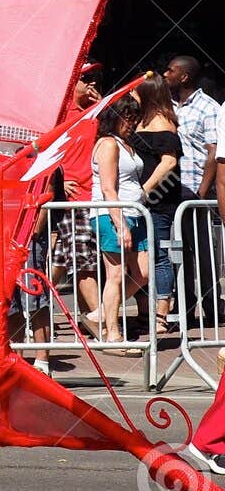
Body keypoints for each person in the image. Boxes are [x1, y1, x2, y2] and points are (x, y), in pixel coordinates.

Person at [47, 61, 106, 342]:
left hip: (92, 195)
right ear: (72, 82)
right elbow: (44, 149)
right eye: (87, 78)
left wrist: (102, 106)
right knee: (85, 261)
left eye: (95, 77)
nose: (93, 83)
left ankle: (37, 300)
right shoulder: (59, 113)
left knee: (66, 259)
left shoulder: (94, 111)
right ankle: (101, 325)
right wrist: (58, 179)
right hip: (72, 197)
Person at [164, 55, 220, 326]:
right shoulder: (169, 106)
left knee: (202, 252)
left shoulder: (209, 108)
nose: (166, 74)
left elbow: (213, 153)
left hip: (195, 192)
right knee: (178, 252)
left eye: (171, 71)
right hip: (173, 189)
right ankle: (184, 309)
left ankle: (212, 309)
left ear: (184, 76)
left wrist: (202, 191)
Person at [92, 96, 147, 355]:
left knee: (143, 272)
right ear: (114, 117)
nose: (132, 123)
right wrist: (120, 222)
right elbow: (107, 188)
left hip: (135, 213)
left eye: (135, 118)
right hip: (113, 214)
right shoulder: (108, 144)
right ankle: (112, 333)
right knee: (115, 273)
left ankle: (101, 312)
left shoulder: (126, 144)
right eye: (127, 117)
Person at [130, 75, 182, 338]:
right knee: (141, 254)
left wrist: (144, 190)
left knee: (159, 254)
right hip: (139, 201)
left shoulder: (164, 123)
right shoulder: (141, 120)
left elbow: (168, 163)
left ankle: (162, 312)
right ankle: (143, 312)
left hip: (159, 199)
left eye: (136, 92)